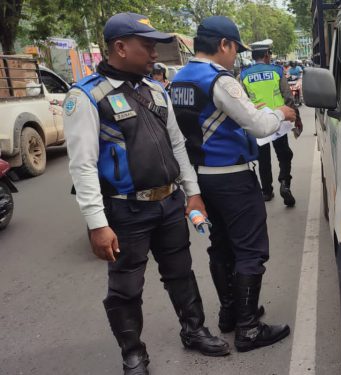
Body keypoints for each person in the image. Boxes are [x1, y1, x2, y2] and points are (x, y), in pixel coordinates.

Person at [63, 12, 229, 375]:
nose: (154, 52)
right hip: (126, 212)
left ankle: (194, 330)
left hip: (169, 203)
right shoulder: (88, 96)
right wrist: (96, 224)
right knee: (125, 288)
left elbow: (178, 145)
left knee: (181, 272)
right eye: (146, 45)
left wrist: (193, 193)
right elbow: (83, 165)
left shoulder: (155, 91)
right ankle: (133, 353)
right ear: (120, 47)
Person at [170, 16, 297, 353]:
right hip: (232, 177)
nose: (235, 57)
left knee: (221, 245)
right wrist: (283, 112)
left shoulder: (180, 78)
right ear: (224, 45)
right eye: (234, 49)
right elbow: (257, 126)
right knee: (251, 250)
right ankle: (249, 328)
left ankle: (230, 313)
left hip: (202, 177)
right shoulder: (220, 80)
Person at [240, 39, 301, 206]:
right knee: (284, 155)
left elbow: (242, 102)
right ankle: (284, 183)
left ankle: (267, 191)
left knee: (263, 159)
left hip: (258, 123)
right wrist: (296, 117)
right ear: (267, 55)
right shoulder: (277, 71)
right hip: (278, 121)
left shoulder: (244, 75)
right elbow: (288, 96)